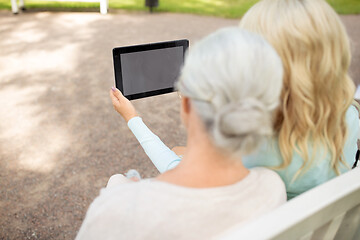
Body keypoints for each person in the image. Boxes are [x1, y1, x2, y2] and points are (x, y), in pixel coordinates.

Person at [124, 0, 359, 200]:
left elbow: (178, 171)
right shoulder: (349, 117)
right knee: (180, 148)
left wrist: (132, 117)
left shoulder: (253, 148)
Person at [76, 27, 286, 240]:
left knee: (117, 181)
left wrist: (127, 190)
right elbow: (175, 166)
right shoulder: (273, 188)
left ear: (186, 104)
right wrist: (133, 119)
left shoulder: (114, 212)